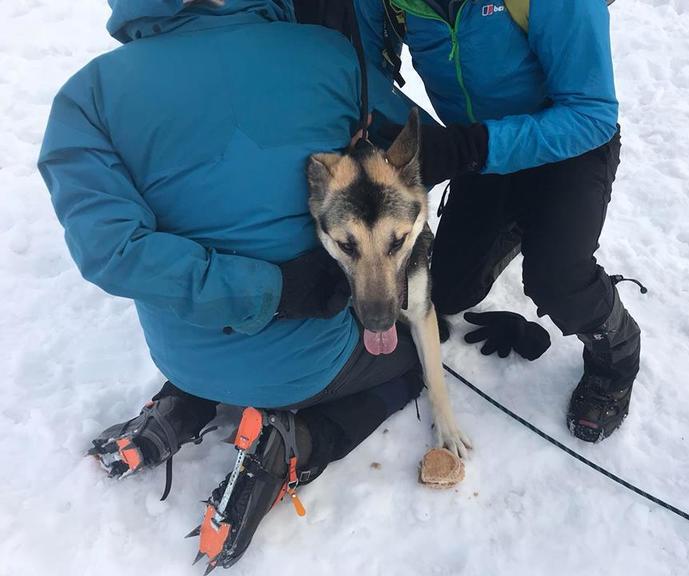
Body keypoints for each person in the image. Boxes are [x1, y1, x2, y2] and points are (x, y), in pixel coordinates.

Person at [38, 0, 423, 569]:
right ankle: (299, 440)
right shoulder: (329, 55)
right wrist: (282, 288)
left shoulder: (87, 96)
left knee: (212, 346)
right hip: (310, 365)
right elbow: (416, 142)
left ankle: (187, 403)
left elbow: (109, 249)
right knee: (410, 363)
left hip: (185, 353)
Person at [355, 0, 643, 442]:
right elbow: (363, 71)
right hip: (481, 152)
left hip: (568, 145)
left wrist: (469, 147)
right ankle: (518, 221)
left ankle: (617, 356)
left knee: (556, 278)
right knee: (448, 291)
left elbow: (592, 113)